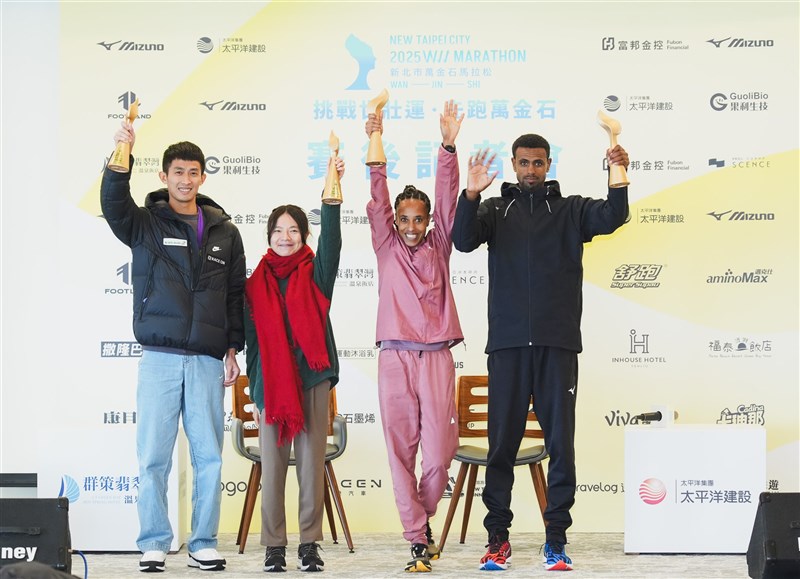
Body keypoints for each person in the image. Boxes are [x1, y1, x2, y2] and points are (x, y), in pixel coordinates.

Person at [452, 136, 630, 572]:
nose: (531, 170)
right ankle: (497, 539)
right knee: (501, 449)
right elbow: (461, 240)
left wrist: (617, 172)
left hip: (558, 344)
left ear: (549, 163)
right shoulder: (495, 210)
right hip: (509, 347)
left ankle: (555, 540)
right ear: (513, 165)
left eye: (538, 163)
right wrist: (471, 193)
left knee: (561, 448)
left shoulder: (570, 210)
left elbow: (615, 215)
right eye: (524, 163)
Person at [101, 122, 246, 572]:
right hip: (160, 358)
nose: (186, 179)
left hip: (206, 358)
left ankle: (203, 540)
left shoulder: (225, 231)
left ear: (203, 177)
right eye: (178, 172)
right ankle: (154, 541)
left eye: (194, 172)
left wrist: (233, 348)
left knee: (209, 457)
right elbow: (112, 203)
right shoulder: (143, 223)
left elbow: (235, 294)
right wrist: (122, 150)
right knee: (153, 457)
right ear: (164, 177)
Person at [365, 101, 463, 573]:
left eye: (417, 218)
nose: (409, 225)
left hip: (437, 357)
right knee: (400, 449)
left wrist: (447, 146)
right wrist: (376, 137)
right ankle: (416, 538)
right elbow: (378, 194)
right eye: (403, 218)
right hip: (394, 359)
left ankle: (421, 519)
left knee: (440, 453)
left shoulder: (439, 245)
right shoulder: (385, 246)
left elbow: (448, 200)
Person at [244, 157, 345, 574]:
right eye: (278, 230)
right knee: (273, 468)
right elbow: (252, 347)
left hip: (312, 382)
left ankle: (308, 544)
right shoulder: (254, 283)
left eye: (293, 230)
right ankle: (273, 547)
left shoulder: (315, 274)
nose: (285, 237)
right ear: (269, 236)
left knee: (309, 466)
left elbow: (333, 244)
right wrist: (256, 391)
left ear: (304, 235)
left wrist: (333, 195)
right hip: (272, 388)